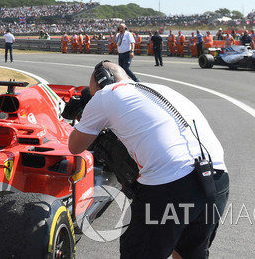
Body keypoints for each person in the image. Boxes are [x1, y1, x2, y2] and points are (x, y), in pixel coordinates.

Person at [69, 60, 229, 259]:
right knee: (188, 252)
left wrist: (84, 114)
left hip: (171, 186)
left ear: (102, 82)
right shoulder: (159, 88)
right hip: (216, 180)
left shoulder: (104, 95)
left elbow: (74, 147)